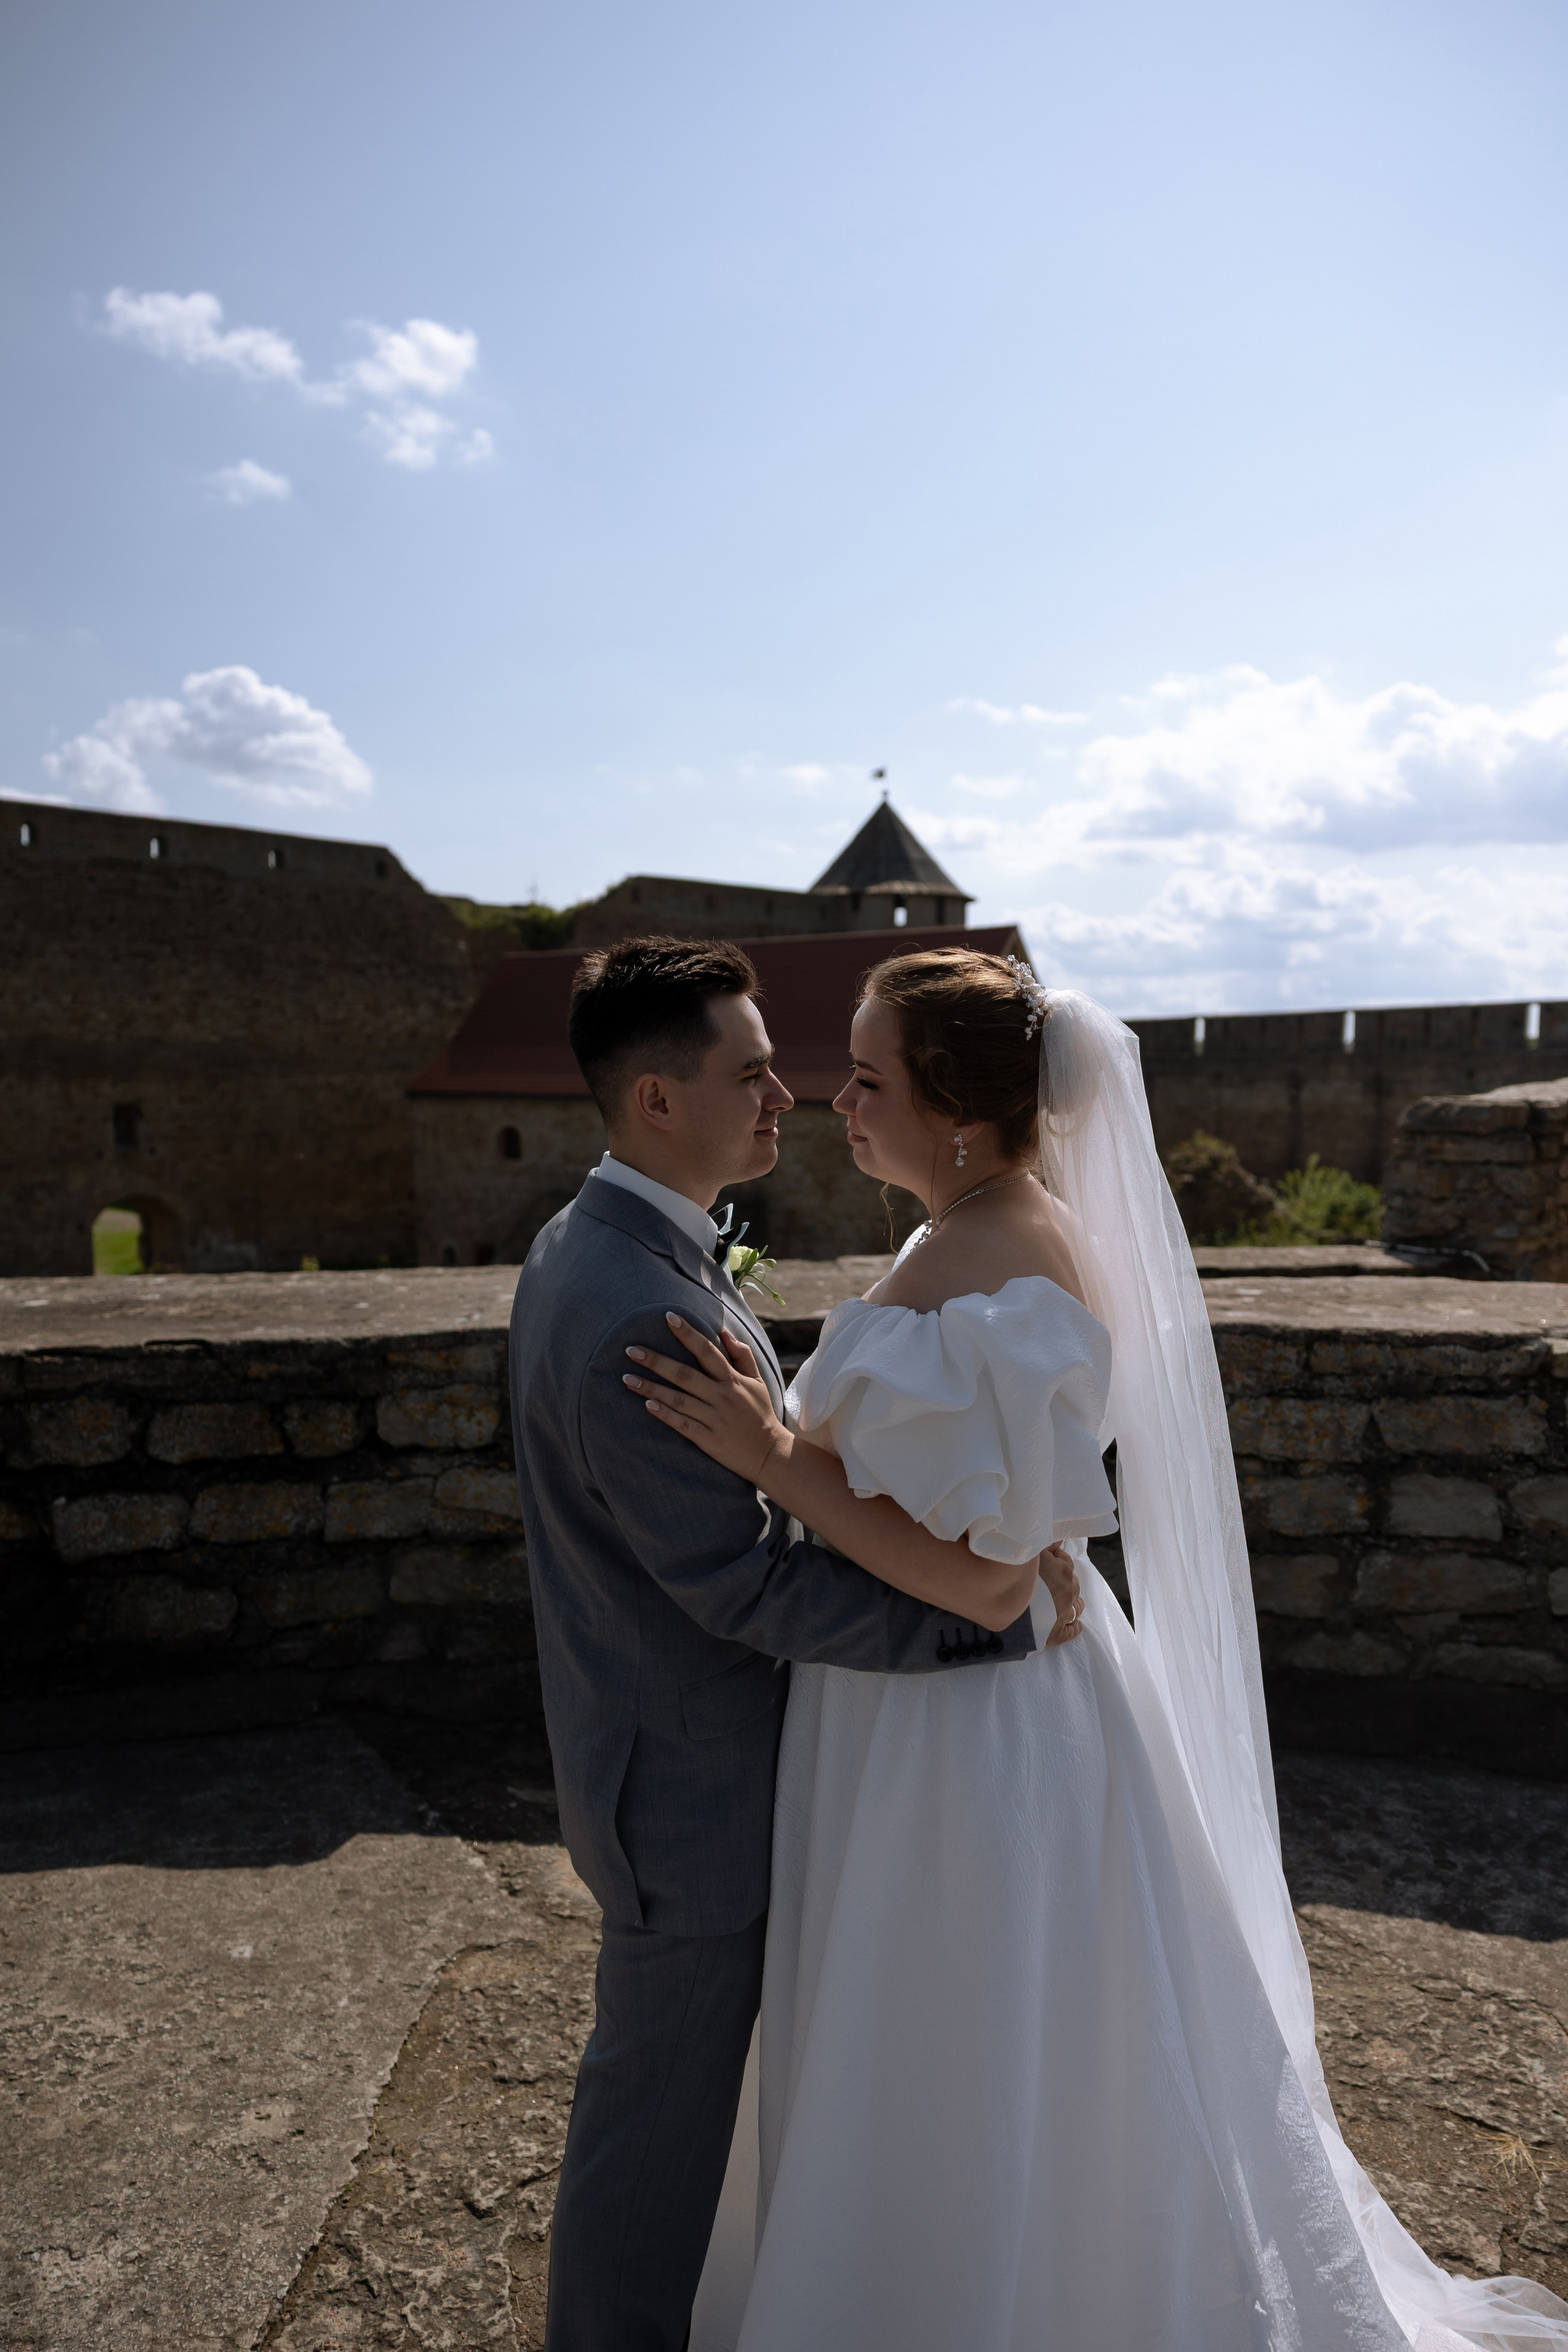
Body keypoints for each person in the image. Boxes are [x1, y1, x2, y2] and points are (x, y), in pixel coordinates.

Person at [626, 947, 1568, 2352]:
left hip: (964, 1727)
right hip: (915, 1707)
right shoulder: (978, 1226)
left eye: (868, 1077)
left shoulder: (1002, 1253)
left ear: (957, 1109)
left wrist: (771, 1454)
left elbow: (993, 1585)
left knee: (966, 2025)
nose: (836, 1100)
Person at [507, 935, 1083, 2352]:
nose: (792, 1095)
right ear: (656, 1102)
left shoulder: (615, 1247)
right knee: (652, 2129)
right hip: (685, 1791)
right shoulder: (630, 1308)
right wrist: (982, 1621)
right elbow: (740, 1587)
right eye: (753, 1070)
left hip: (704, 1758)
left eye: (819, 1069)